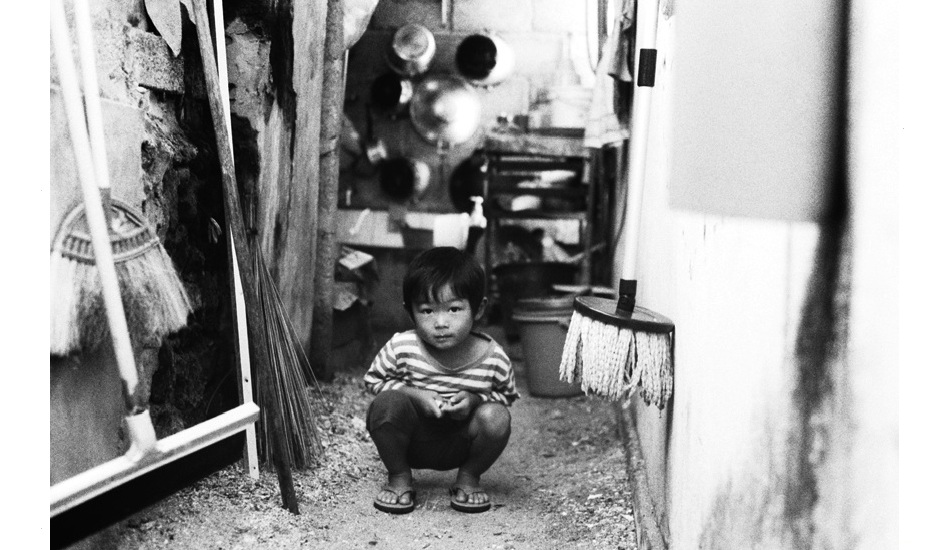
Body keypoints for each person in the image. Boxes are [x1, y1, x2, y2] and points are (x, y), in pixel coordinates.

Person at [364, 246, 519, 514]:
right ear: (410, 312)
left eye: (454, 309)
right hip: (413, 439)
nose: (441, 322)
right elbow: (374, 381)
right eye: (427, 311)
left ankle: (469, 477)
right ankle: (399, 477)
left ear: (479, 309)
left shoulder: (493, 357)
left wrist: (474, 400)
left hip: (461, 441)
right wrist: (415, 394)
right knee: (385, 404)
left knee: (497, 417)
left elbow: (506, 397)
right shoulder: (402, 347)